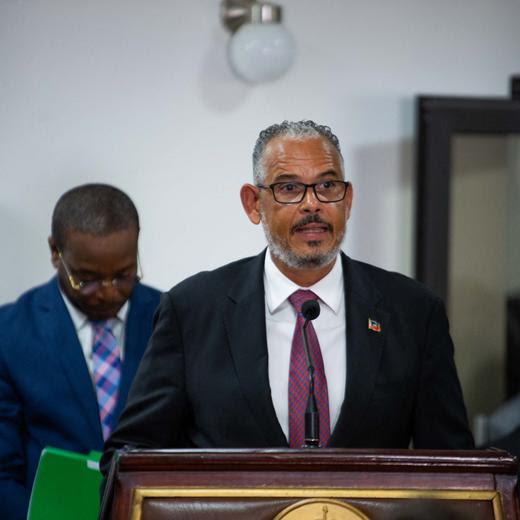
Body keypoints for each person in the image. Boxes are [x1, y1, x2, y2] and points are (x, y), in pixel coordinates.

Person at [101, 120, 473, 477]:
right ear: (253, 203)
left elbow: (455, 466)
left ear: (348, 200)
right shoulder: (194, 309)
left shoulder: (413, 312)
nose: (312, 204)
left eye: (327, 186)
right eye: (289, 188)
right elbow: (132, 455)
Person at [0, 183, 161, 519]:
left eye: (123, 276)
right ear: (55, 252)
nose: (107, 293)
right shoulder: (10, 333)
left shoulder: (171, 318)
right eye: (86, 279)